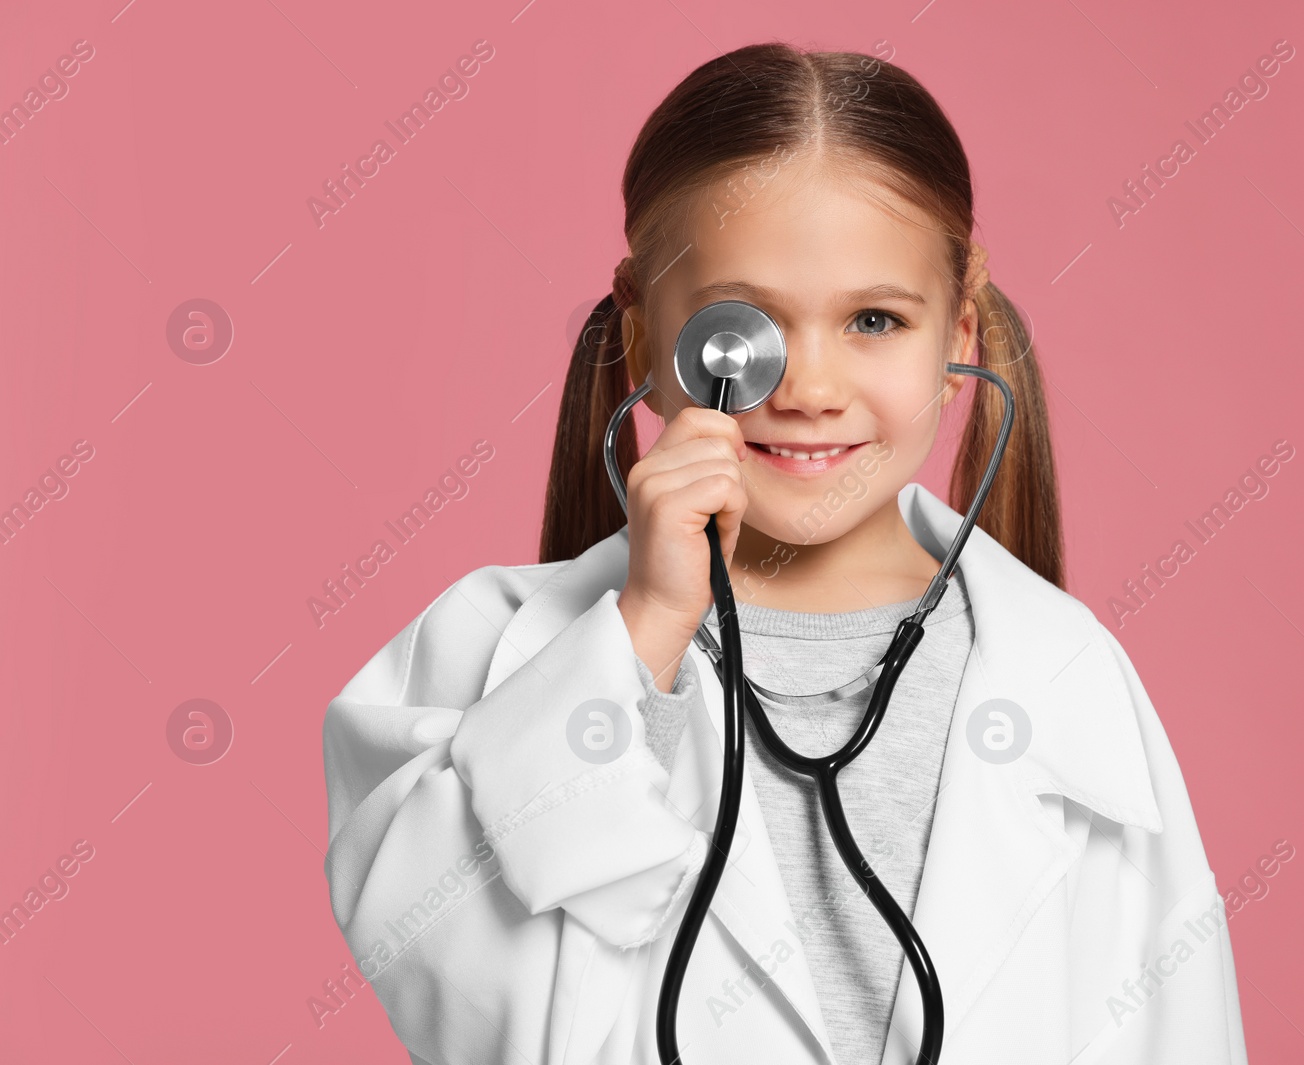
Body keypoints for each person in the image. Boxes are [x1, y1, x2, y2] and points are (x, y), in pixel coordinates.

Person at [321, 41, 1247, 1065]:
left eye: (873, 321)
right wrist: (640, 640)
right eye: (743, 327)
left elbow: (1176, 1027)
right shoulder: (491, 649)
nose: (806, 387)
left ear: (958, 344)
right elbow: (446, 982)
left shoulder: (1068, 675)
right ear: (642, 338)